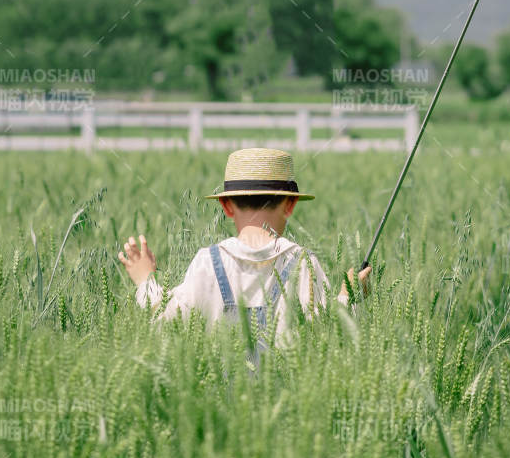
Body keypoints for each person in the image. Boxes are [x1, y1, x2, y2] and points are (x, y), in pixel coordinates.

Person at [119, 147, 371, 344]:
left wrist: (145, 281)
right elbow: (326, 335)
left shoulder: (207, 261)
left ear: (227, 206)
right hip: (287, 401)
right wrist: (348, 297)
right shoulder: (303, 262)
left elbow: (167, 322)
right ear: (290, 205)